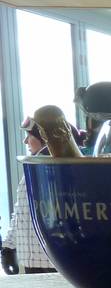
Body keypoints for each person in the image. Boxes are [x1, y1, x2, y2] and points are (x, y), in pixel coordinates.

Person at [2, 116, 87, 275]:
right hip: (33, 259)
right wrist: (8, 246)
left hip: (54, 260)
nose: (25, 141)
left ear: (45, 138)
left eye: (29, 136)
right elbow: (21, 212)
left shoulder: (59, 169)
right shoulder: (33, 167)